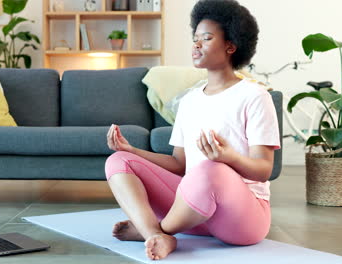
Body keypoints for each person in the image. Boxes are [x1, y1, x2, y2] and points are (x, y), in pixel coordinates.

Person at [105, 0, 281, 261]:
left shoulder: (255, 96)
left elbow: (264, 169)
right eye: (195, 38)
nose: (196, 44)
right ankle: (157, 234)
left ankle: (152, 230)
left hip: (242, 219)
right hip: (194, 215)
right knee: (118, 161)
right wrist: (132, 151)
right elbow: (178, 164)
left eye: (207, 38)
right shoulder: (189, 101)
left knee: (212, 170)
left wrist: (228, 158)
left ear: (231, 46)